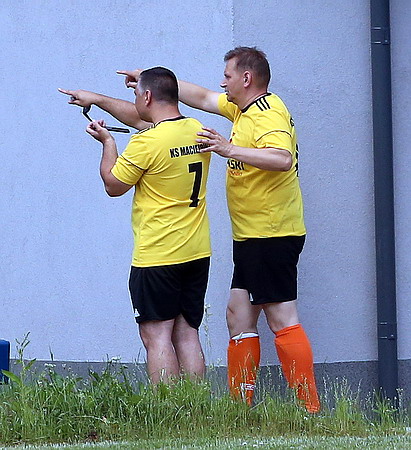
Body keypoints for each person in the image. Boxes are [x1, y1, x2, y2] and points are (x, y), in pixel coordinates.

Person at [117, 47, 320, 412]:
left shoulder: (268, 111)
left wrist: (229, 149)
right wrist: (152, 80)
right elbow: (202, 97)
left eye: (228, 75)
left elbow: (281, 157)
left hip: (271, 233)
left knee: (282, 317)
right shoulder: (242, 108)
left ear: (247, 78)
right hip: (251, 236)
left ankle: (309, 408)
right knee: (237, 315)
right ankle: (240, 407)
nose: (222, 82)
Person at [59, 67, 211, 384]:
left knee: (156, 336)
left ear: (147, 96)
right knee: (187, 333)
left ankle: (168, 408)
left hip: (158, 253)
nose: (135, 101)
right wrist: (96, 98)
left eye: (136, 95)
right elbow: (144, 121)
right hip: (196, 251)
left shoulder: (148, 143)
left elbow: (113, 185)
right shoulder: (195, 129)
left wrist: (108, 143)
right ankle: (197, 406)